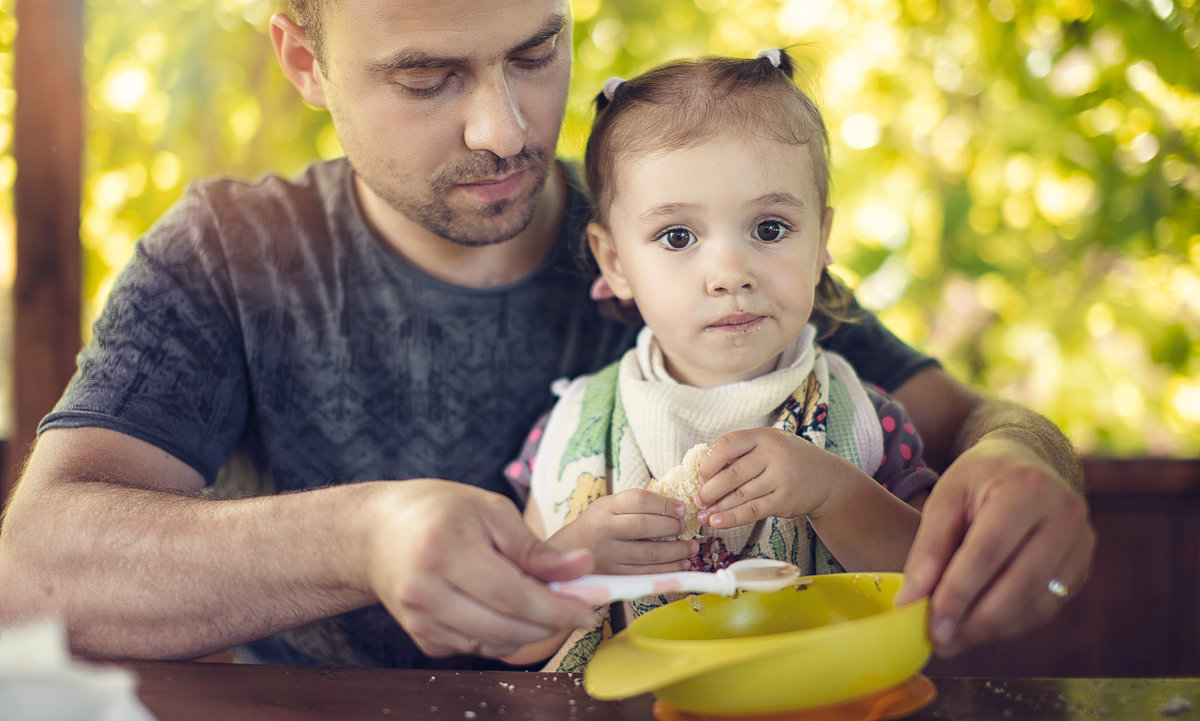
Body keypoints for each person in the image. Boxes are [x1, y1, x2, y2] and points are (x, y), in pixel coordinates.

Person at [0, 0, 1092, 668]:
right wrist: (361, 538)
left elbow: (973, 424)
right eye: (427, 76)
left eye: (536, 52)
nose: (506, 127)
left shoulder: (691, 245)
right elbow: (34, 566)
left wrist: (1023, 460)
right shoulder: (226, 255)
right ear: (305, 62)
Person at [501, 49, 939, 670]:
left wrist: (834, 493)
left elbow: (935, 591)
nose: (730, 274)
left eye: (769, 228)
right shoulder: (574, 427)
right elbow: (514, 642)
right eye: (678, 237)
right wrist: (576, 559)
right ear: (616, 263)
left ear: (822, 242)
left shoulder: (865, 417)